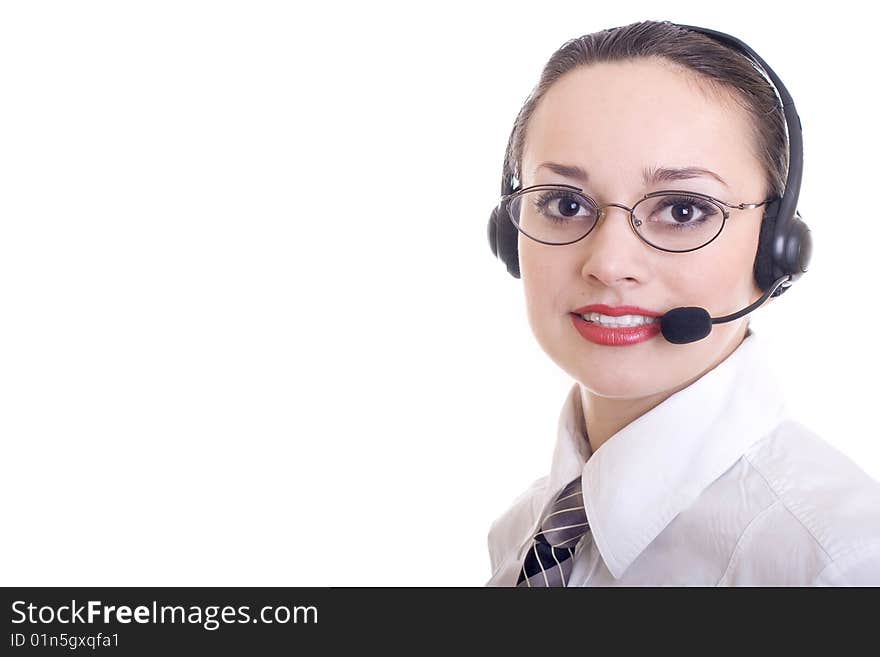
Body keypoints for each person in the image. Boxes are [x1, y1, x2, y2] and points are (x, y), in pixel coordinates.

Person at [484, 20, 880, 586]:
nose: (609, 263)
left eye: (683, 210)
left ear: (775, 251)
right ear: (509, 235)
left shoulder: (838, 567)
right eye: (565, 204)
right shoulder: (522, 533)